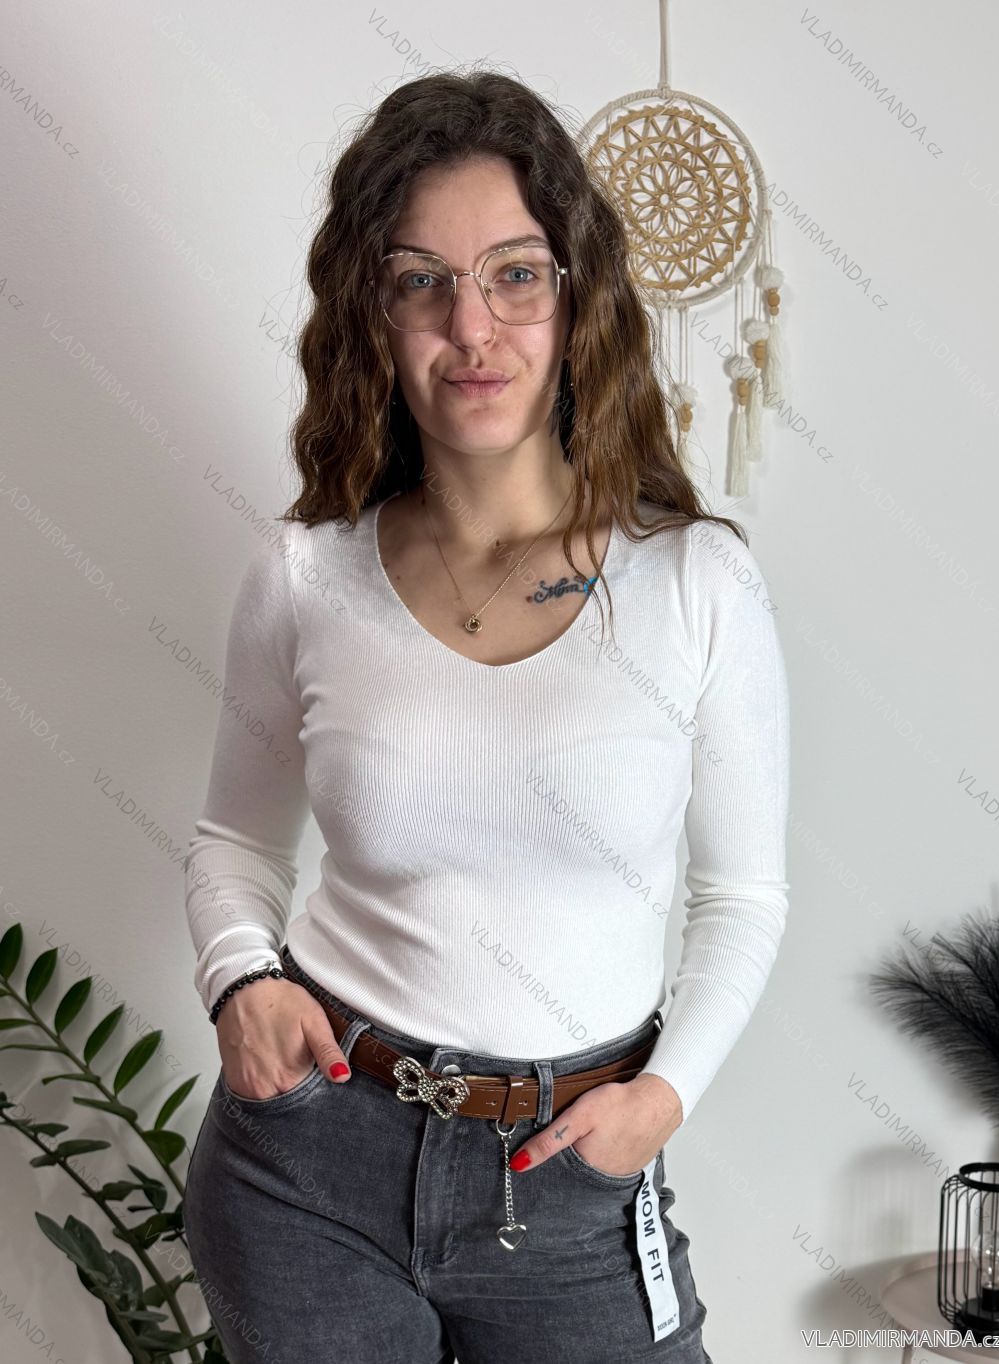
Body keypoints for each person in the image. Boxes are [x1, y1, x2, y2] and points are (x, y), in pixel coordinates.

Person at [181, 67, 789, 1364]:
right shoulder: (304, 576)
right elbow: (234, 844)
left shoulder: (697, 584)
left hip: (572, 1178)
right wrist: (239, 979)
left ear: (576, 297)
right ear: (374, 314)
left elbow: (741, 897)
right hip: (309, 1168)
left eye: (515, 275)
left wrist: (663, 1098)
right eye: (423, 282)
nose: (473, 327)